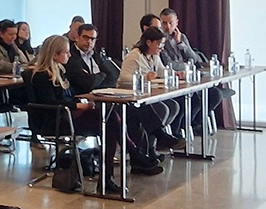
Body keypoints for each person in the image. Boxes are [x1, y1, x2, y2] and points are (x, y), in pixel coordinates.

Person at [26, 36, 163, 189]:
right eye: (66, 52)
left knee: (109, 121)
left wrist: (82, 102)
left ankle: (113, 173)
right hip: (57, 119)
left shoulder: (60, 71)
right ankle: (127, 160)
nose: (70, 55)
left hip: (69, 114)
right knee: (109, 122)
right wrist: (78, 105)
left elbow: (71, 94)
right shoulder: (42, 76)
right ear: (54, 55)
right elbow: (50, 103)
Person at [118, 26, 184, 150]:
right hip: (131, 96)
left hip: (147, 93)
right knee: (162, 109)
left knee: (174, 106)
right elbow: (123, 78)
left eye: (162, 44)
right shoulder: (134, 56)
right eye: (159, 44)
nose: (161, 47)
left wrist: (175, 74)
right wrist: (144, 77)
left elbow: (161, 70)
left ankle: (158, 140)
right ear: (148, 42)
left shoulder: (154, 55)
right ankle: (156, 141)